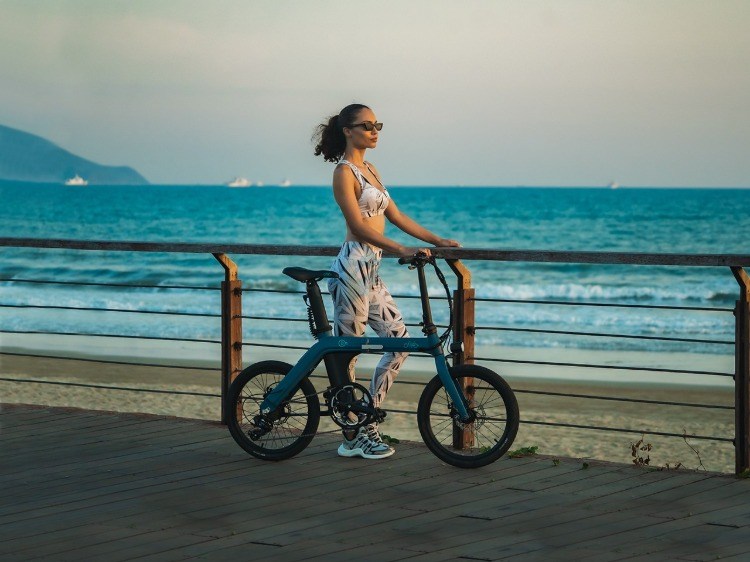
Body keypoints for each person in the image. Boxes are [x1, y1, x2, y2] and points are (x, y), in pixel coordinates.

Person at [313, 103, 460, 460]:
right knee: (348, 353)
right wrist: (400, 249)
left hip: (373, 271)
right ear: (348, 131)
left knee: (399, 343)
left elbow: (394, 215)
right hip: (352, 268)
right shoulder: (344, 173)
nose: (375, 130)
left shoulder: (371, 170)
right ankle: (353, 432)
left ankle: (366, 415)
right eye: (366, 125)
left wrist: (436, 241)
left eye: (377, 124)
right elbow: (359, 226)